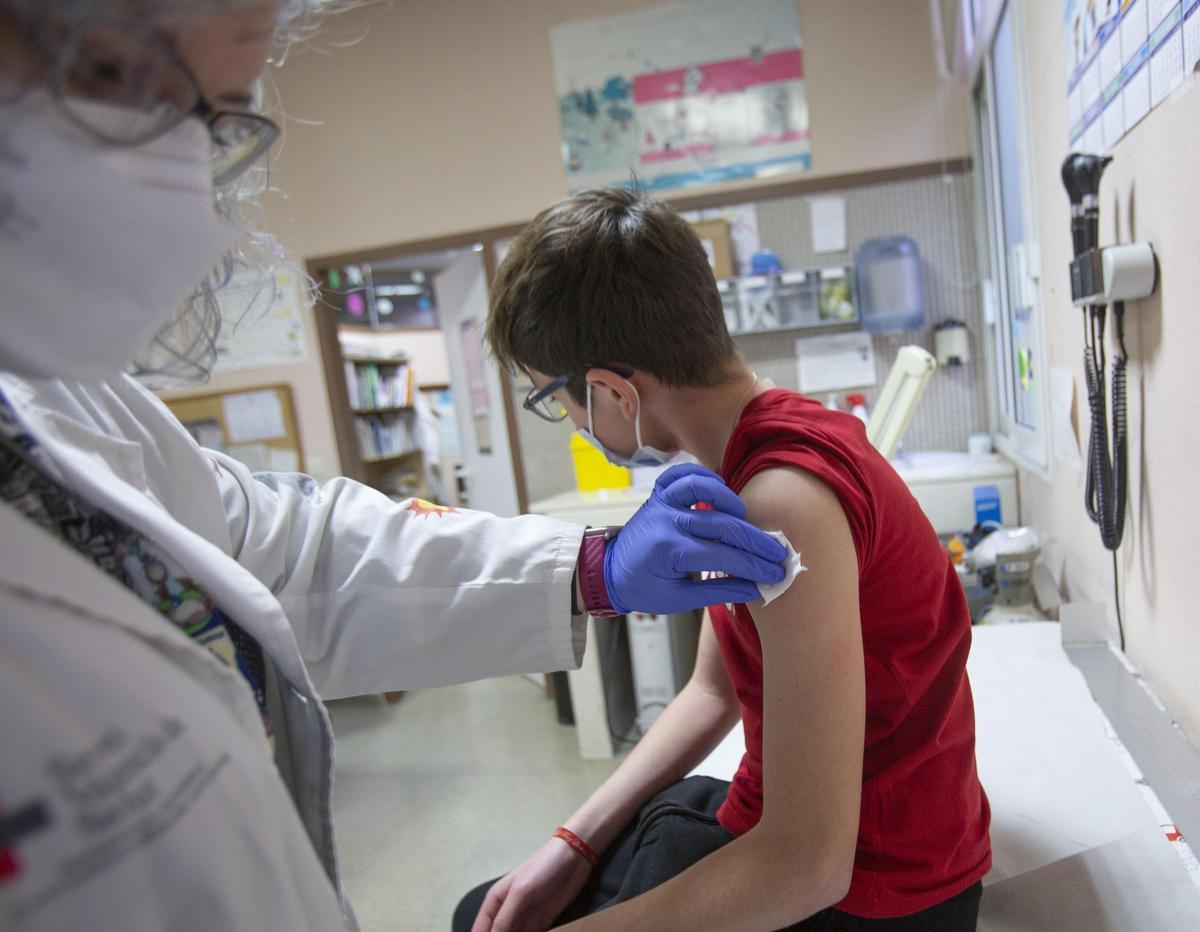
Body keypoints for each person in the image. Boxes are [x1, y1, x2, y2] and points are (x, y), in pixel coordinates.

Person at [0, 4, 790, 929]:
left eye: (219, 122)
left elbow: (286, 554)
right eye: (117, 83)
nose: (191, 193)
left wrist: (590, 569)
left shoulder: (64, 405)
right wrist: (574, 843)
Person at [454, 187, 992, 931]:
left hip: (876, 889)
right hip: (800, 831)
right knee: (487, 906)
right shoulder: (749, 455)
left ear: (611, 390)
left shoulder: (781, 499)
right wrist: (573, 842)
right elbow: (712, 691)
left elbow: (806, 865)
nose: (574, 424)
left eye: (561, 401)